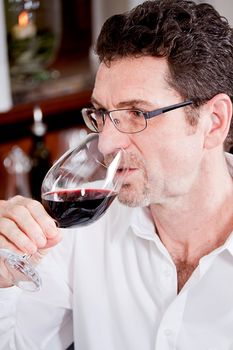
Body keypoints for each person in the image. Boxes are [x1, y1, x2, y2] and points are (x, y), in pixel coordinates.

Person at [1, 0, 233, 348]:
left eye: (137, 113)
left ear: (213, 122)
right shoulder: (81, 232)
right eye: (101, 113)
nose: (106, 143)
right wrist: (3, 281)